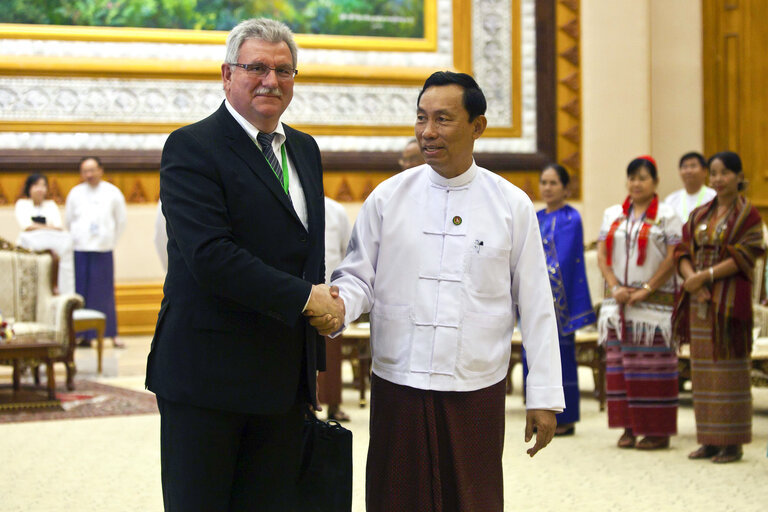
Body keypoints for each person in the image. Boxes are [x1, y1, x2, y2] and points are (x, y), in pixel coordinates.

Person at [325, 71, 564, 512]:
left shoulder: (511, 205)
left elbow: (535, 305)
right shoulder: (387, 197)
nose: (427, 132)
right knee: (395, 497)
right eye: (421, 118)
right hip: (400, 379)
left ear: (478, 126)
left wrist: (544, 397)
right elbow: (358, 277)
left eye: (442, 119)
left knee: (472, 499)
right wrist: (338, 307)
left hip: (474, 382)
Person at [144, 18, 343, 511]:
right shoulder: (191, 147)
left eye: (283, 70)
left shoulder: (305, 150)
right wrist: (305, 298)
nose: (271, 81)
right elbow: (211, 256)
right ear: (227, 75)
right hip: (208, 378)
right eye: (256, 67)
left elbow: (307, 250)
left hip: (283, 381)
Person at [674, 151, 765, 463]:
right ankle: (709, 440)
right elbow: (682, 249)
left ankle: (733, 442)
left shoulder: (748, 215)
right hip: (701, 304)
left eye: (725, 172)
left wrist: (705, 276)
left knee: (729, 372)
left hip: (729, 305)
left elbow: (746, 254)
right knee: (703, 373)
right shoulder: (700, 214)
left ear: (739, 176)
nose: (718, 179)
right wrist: (693, 282)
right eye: (713, 173)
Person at [597, 155, 682, 450]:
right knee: (621, 368)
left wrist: (647, 288)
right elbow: (602, 255)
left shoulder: (668, 216)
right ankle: (629, 427)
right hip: (619, 302)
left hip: (653, 307)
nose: (636, 183)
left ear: (656, 183)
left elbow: (674, 257)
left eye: (643, 178)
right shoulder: (612, 215)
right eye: (632, 177)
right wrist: (614, 285)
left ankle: (657, 431)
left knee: (653, 368)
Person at [523, 164, 596, 436]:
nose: (547, 188)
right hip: (533, 298)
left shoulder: (571, 218)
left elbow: (563, 259)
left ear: (566, 188)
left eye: (554, 183)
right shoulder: (536, 217)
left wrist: (539, 282)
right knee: (534, 355)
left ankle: (565, 418)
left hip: (557, 301)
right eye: (544, 182)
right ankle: (536, 413)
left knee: (561, 358)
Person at [65, 157, 126, 347]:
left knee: (104, 293)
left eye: (92, 170)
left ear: (101, 170)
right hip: (80, 248)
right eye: (85, 171)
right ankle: (81, 335)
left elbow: (121, 222)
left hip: (103, 248)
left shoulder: (113, 192)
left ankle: (110, 334)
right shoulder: (75, 193)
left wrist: (110, 241)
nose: (89, 175)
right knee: (81, 292)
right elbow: (68, 221)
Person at [317, 196, 352, 421]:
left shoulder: (336, 210)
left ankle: (333, 405)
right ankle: (308, 405)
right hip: (303, 290)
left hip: (332, 294)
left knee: (331, 354)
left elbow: (347, 252)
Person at [15, 173, 76, 294]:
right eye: (36, 185)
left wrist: (39, 227)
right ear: (29, 188)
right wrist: (48, 227)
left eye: (43, 185)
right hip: (28, 248)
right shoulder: (21, 204)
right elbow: (26, 226)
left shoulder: (51, 205)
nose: (40, 189)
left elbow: (58, 227)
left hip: (53, 249)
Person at [664, 151, 716, 222]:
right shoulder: (671, 199)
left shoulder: (713, 197)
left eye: (693, 166)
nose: (688, 171)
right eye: (684, 167)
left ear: (705, 171)